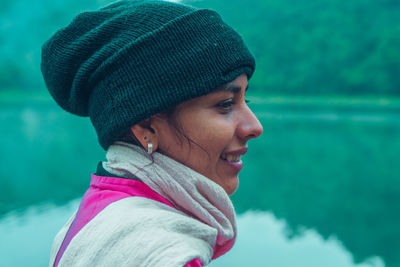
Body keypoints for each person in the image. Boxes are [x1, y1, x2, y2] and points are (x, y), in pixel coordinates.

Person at [41, 0, 263, 266]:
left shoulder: (98, 212)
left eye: (245, 102)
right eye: (225, 104)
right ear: (147, 128)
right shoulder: (164, 254)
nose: (254, 127)